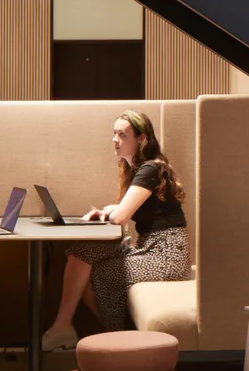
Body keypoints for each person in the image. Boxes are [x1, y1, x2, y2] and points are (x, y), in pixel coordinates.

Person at [41, 110, 191, 351]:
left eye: (122, 134)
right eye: (114, 134)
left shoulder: (151, 169)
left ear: (141, 139)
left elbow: (121, 216)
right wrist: (111, 210)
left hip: (166, 255)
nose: (115, 140)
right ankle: (66, 328)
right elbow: (124, 211)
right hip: (150, 247)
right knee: (81, 254)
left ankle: (120, 338)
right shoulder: (137, 170)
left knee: (100, 273)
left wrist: (112, 210)